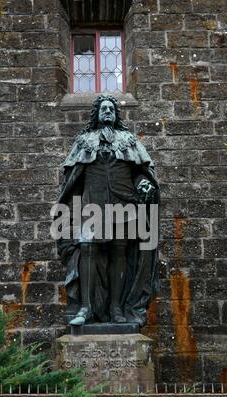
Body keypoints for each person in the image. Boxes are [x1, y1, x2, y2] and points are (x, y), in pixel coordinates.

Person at [54, 95, 160, 327]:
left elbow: (141, 171)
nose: (108, 111)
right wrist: (66, 209)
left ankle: (117, 308)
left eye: (111, 108)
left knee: (119, 252)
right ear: (97, 113)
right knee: (88, 248)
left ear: (116, 113)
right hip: (93, 203)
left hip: (124, 202)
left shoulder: (128, 139)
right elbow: (72, 178)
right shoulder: (84, 141)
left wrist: (144, 183)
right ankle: (86, 307)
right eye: (103, 108)